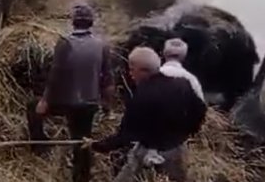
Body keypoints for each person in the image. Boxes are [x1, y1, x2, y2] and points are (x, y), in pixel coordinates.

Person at [87, 46, 207, 182]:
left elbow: (127, 135)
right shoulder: (182, 84)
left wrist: (99, 145)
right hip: (177, 149)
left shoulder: (142, 96)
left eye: (132, 69)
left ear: (144, 70)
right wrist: (186, 133)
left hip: (149, 152)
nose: (130, 74)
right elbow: (200, 110)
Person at [26, 4, 114, 182]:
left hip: (65, 101)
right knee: (82, 139)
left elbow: (55, 75)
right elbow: (108, 80)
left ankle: (40, 145)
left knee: (32, 106)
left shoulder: (64, 43)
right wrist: (107, 105)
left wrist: (45, 100)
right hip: (89, 103)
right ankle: (82, 177)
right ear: (91, 23)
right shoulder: (102, 45)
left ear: (73, 23)